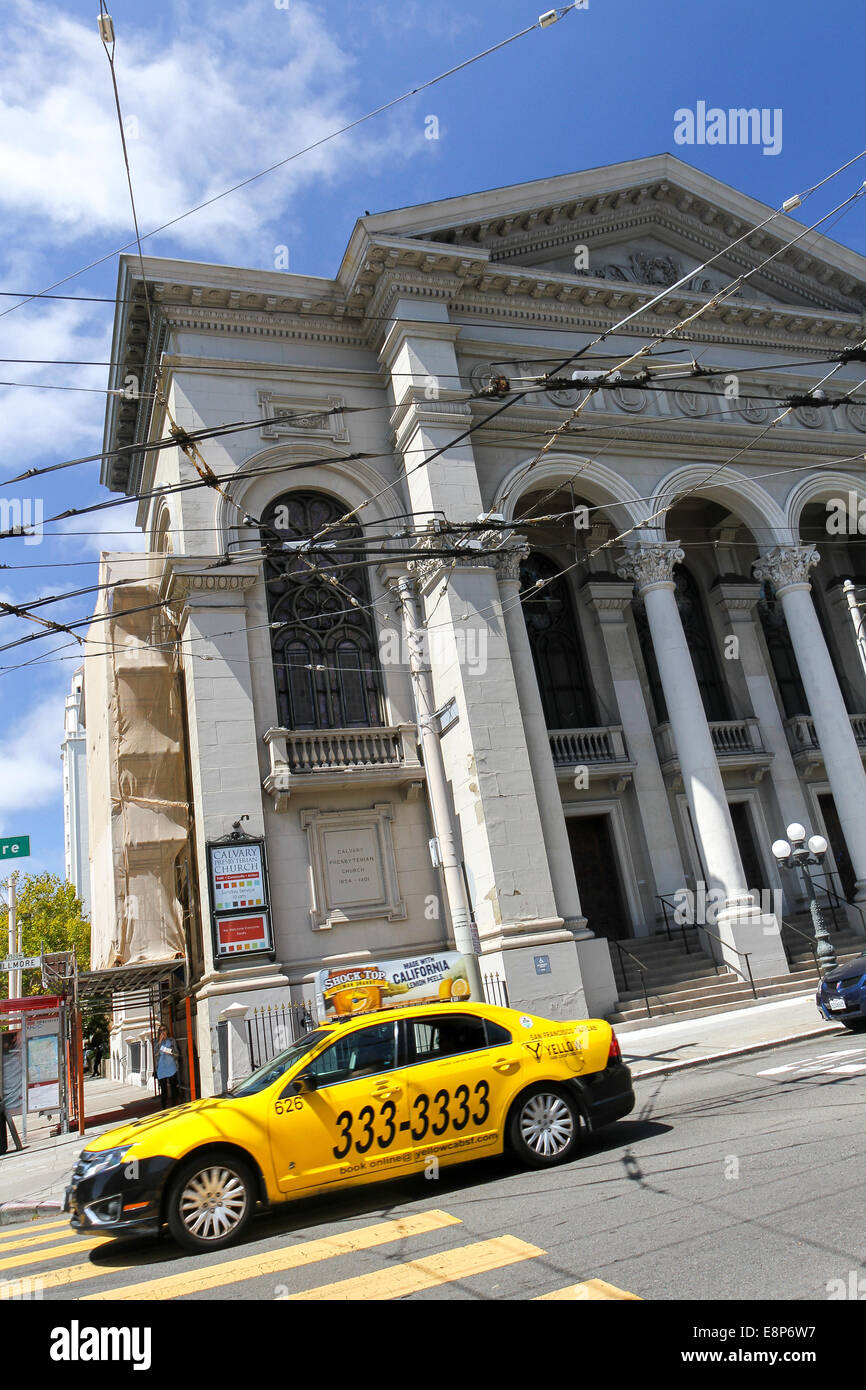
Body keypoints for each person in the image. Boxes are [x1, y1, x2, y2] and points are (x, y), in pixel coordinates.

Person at [153, 1025, 180, 1108]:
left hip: (171, 1067)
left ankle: (174, 1105)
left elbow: (177, 1053)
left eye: (164, 1030)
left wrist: (170, 1052)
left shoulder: (171, 1040)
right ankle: (164, 1106)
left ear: (167, 1031)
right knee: (164, 1089)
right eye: (160, 1031)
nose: (162, 1032)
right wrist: (159, 1042)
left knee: (173, 1087)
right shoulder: (157, 1042)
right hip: (161, 1068)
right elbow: (155, 1053)